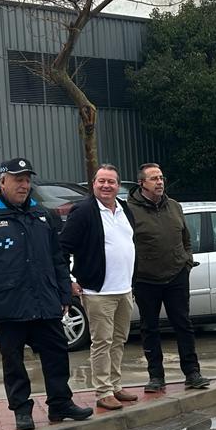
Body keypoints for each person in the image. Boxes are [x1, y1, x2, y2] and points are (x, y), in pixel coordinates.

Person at [0, 158, 93, 430]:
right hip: (8, 305)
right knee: (14, 362)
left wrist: (64, 292)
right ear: (3, 181)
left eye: (27, 180)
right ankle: (22, 410)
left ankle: (60, 404)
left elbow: (57, 258)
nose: (24, 185)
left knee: (57, 356)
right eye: (18, 179)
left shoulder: (42, 215)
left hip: (44, 302)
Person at [59, 164, 137, 411]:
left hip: (124, 288)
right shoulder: (83, 211)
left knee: (118, 340)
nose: (106, 186)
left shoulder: (124, 209)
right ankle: (103, 391)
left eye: (111, 182)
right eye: (101, 181)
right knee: (102, 342)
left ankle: (115, 385)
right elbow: (63, 248)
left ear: (118, 185)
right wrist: (69, 280)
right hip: (98, 291)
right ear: (93, 184)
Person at [128, 163, 210, 392]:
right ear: (142, 183)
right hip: (146, 279)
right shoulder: (129, 211)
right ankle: (156, 377)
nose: (160, 182)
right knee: (149, 328)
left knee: (183, 325)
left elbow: (186, 237)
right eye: (154, 178)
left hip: (176, 275)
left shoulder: (174, 206)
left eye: (161, 177)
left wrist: (186, 261)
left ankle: (192, 373)